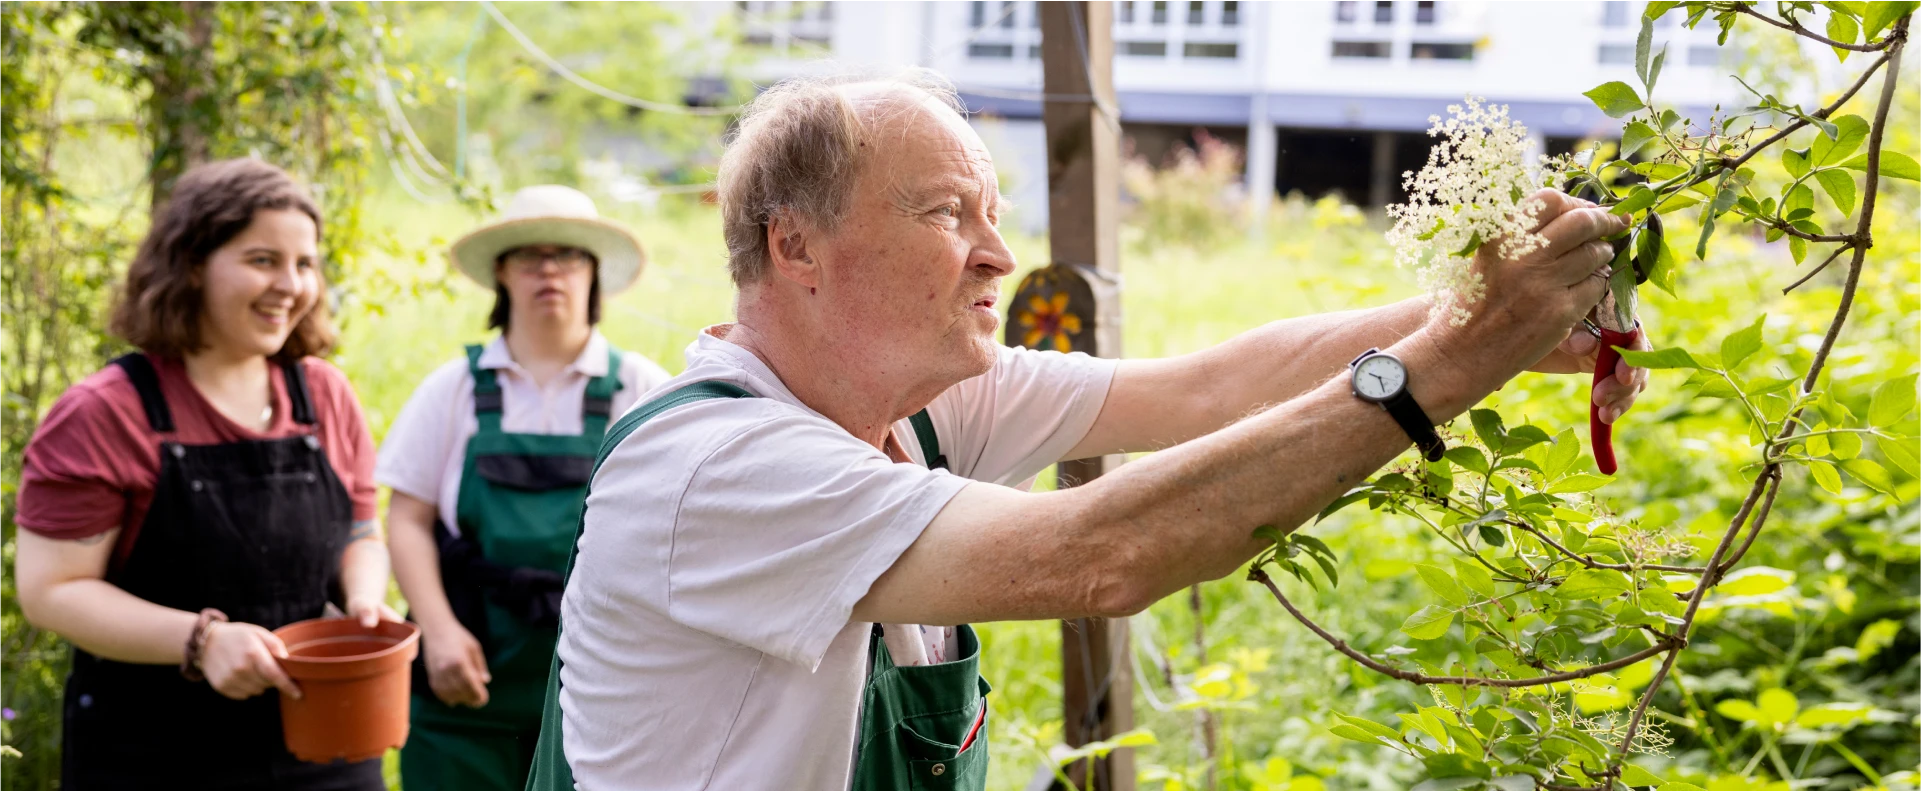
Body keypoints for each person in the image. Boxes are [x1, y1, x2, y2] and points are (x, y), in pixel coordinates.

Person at [525, 71, 1650, 791]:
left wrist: (1492, 320)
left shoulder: (910, 404)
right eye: (942, 212)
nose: (997, 257)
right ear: (796, 246)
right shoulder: (716, 468)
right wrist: (1448, 364)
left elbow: (1213, 387)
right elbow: (1095, 554)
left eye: (992, 216)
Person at [14, 158, 394, 790]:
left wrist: (362, 600)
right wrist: (200, 640)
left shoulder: (325, 396)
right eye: (263, 260)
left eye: (305, 264)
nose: (292, 285)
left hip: (326, 740)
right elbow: (51, 589)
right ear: (192, 264)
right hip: (153, 753)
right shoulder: (107, 413)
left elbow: (361, 531)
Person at [376, 185, 672, 791]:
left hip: (597, 691)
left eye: (567, 255)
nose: (548, 270)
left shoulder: (639, 388)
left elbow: (676, 528)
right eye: (528, 256)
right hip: (465, 683)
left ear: (593, 275)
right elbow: (406, 518)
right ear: (501, 275)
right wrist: (437, 630)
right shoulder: (453, 388)